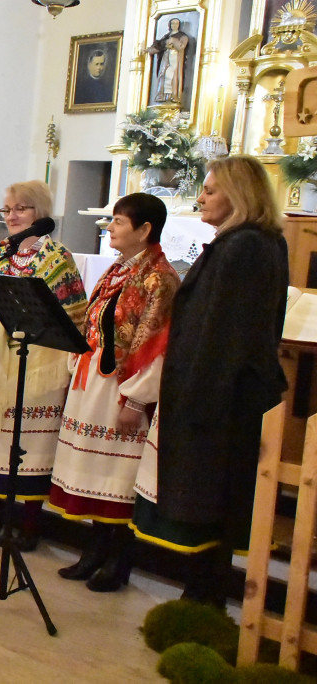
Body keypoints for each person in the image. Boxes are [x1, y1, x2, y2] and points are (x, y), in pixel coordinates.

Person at [131, 156, 288, 608]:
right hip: (222, 393)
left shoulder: (244, 247)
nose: (200, 197)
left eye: (211, 190)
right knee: (212, 502)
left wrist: (195, 400)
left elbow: (224, 333)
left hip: (220, 399)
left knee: (213, 502)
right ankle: (199, 593)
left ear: (238, 195)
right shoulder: (253, 243)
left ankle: (205, 598)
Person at [47, 193, 179, 592]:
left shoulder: (160, 278)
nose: (110, 228)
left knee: (115, 475)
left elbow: (159, 345)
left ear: (144, 229)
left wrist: (137, 399)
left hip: (122, 389)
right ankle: (93, 550)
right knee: (92, 472)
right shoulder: (117, 270)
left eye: (119, 222)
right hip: (95, 380)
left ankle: (118, 560)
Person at [0, 180, 87, 550]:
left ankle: (29, 523)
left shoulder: (58, 257)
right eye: (7, 209)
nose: (12, 216)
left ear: (40, 214)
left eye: (21, 209)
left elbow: (74, 316)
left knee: (28, 447)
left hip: (39, 360)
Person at [148, 17, 190, 105]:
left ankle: (173, 96)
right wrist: (149, 50)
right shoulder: (166, 36)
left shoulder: (182, 36)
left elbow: (181, 46)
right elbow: (158, 47)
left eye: (176, 23)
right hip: (165, 58)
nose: (174, 25)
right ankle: (161, 95)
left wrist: (173, 41)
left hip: (175, 58)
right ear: (170, 25)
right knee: (163, 74)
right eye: (172, 23)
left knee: (172, 76)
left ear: (179, 25)